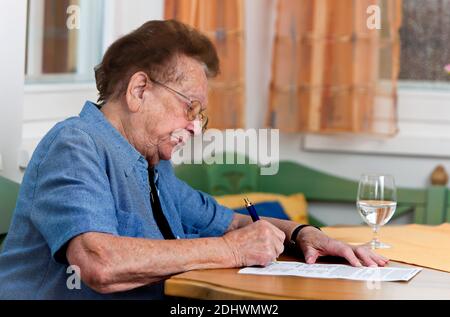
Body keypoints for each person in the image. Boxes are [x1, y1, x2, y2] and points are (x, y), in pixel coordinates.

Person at [0, 20, 388, 299]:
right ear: (139, 90)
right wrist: (233, 250)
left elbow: (234, 220)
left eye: (200, 115)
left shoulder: (153, 165)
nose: (195, 127)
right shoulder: (75, 145)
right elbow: (98, 263)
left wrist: (304, 234)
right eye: (190, 108)